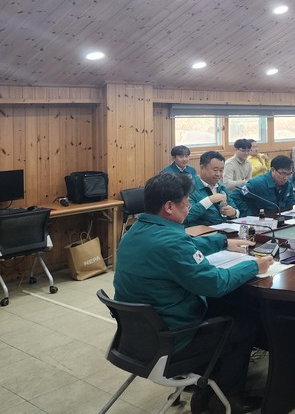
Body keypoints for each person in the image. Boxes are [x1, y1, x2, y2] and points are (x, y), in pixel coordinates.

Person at [114, 172, 273, 414]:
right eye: (186, 202)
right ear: (169, 206)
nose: (189, 206)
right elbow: (215, 284)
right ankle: (228, 397)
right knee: (244, 325)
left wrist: (222, 242)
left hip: (135, 338)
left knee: (223, 309)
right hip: (172, 340)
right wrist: (254, 265)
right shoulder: (171, 242)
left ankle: (206, 381)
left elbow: (187, 245)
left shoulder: (135, 231)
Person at [184, 151, 239, 227]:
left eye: (221, 170)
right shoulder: (189, 188)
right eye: (215, 170)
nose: (218, 174)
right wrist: (209, 200)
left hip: (225, 229)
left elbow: (235, 209)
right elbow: (186, 217)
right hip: (202, 231)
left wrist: (234, 213)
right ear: (202, 168)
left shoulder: (222, 188)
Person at [230, 155, 295, 216]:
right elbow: (234, 196)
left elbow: (290, 200)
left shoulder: (288, 182)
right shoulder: (257, 183)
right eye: (283, 173)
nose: (285, 178)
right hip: (259, 218)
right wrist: (247, 212)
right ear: (273, 170)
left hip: (280, 217)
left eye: (289, 174)